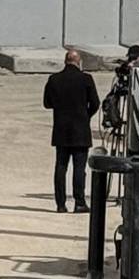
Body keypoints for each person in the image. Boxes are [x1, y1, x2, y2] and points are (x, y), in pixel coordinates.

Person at [44, 48, 103, 213]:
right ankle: (79, 202)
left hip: (61, 129)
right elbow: (96, 103)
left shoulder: (54, 79)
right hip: (80, 130)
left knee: (61, 167)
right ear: (79, 62)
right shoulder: (85, 79)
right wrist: (85, 116)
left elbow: (47, 103)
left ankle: (61, 204)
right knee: (79, 167)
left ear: (65, 61)